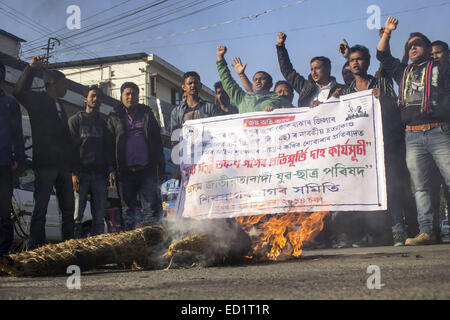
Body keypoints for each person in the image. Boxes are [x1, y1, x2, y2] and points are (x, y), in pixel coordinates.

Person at [376, 17, 450, 245]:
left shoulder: (443, 67)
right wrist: (387, 33)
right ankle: (427, 231)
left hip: (440, 131)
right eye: (409, 46)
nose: (413, 47)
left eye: (417, 43)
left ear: (428, 49)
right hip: (413, 135)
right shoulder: (403, 71)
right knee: (421, 187)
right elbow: (382, 56)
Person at [338, 45, 409, 246]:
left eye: (359, 59)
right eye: (352, 60)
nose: (355, 63)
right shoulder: (347, 92)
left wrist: (383, 98)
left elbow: (396, 109)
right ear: (348, 65)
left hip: (385, 147)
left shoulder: (381, 83)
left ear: (367, 62)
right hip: (361, 153)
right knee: (363, 192)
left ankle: (397, 231)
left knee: (391, 189)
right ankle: (367, 233)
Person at [13, 56, 75, 249]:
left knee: (68, 211)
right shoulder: (38, 100)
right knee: (40, 208)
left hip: (63, 166)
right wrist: (31, 69)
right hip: (45, 164)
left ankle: (68, 248)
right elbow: (19, 91)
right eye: (64, 84)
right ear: (54, 83)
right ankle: (35, 248)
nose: (66, 88)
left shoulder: (61, 105)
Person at [107, 82, 165, 231]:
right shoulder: (114, 116)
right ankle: (130, 248)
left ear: (138, 96)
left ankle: (154, 247)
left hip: (146, 170)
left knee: (151, 211)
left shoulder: (147, 114)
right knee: (127, 213)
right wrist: (111, 168)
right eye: (127, 94)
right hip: (125, 172)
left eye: (134, 94)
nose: (130, 97)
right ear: (121, 96)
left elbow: (157, 142)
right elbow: (108, 144)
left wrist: (161, 167)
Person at [68, 85, 113, 238]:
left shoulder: (104, 122)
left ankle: (96, 253)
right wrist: (74, 172)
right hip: (81, 174)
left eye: (99, 96)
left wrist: (110, 169)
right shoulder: (76, 120)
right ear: (85, 99)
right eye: (93, 96)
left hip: (100, 176)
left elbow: (108, 149)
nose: (96, 99)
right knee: (76, 217)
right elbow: (70, 149)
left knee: (99, 217)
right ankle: (74, 250)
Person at [276, 32, 346, 108]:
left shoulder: (342, 89)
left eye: (317, 68)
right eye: (312, 69)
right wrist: (281, 47)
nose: (314, 72)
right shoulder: (305, 88)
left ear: (328, 69)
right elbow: (287, 71)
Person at [216, 46, 291, 113]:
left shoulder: (279, 100)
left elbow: (290, 116)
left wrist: (276, 111)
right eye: (255, 79)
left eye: (263, 79)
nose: (258, 80)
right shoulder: (242, 99)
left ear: (270, 84)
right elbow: (228, 82)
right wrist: (220, 59)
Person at [0, 60, 26, 255]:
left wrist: (21, 160)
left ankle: (2, 255)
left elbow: (18, 134)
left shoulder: (10, 103)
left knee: (3, 211)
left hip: (4, 165)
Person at [229, 56, 295, 107]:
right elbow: (252, 91)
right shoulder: (265, 102)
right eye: (279, 92)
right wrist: (241, 75)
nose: (282, 94)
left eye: (286, 90)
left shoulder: (300, 114)